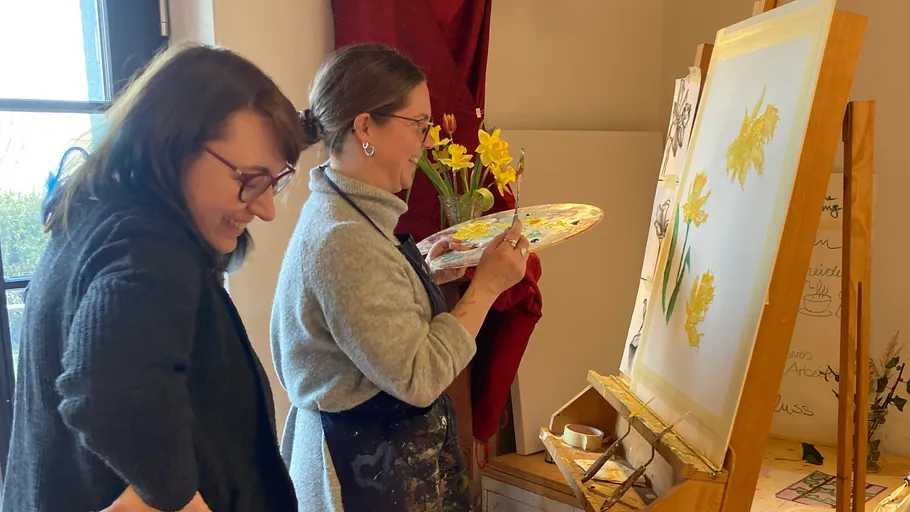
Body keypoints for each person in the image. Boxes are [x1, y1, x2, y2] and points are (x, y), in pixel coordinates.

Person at [1, 42, 305, 512]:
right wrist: (177, 497)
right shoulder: (149, 245)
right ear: (173, 144)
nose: (266, 209)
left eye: (274, 182)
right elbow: (108, 391)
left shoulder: (92, 218)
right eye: (250, 179)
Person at [270, 43, 530, 511]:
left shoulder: (344, 212)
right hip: (363, 474)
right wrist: (487, 287)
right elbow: (418, 375)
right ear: (365, 127)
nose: (428, 143)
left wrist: (420, 271)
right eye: (419, 125)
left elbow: (365, 318)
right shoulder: (344, 239)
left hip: (371, 459)